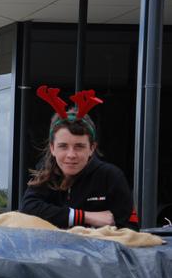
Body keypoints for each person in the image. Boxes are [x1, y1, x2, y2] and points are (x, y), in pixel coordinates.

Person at [20, 85, 138, 230]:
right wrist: (84, 216)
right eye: (63, 146)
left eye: (79, 146)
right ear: (52, 148)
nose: (71, 155)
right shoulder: (45, 173)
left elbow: (131, 229)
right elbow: (28, 208)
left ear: (92, 148)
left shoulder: (111, 177)